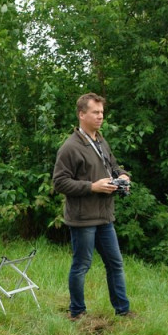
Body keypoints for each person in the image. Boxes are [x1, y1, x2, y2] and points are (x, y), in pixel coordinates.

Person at [52, 92, 134, 320]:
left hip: (104, 216)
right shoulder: (70, 147)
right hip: (83, 218)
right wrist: (92, 187)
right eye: (95, 112)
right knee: (81, 265)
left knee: (115, 264)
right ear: (82, 114)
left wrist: (123, 176)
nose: (100, 117)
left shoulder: (100, 140)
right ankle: (77, 312)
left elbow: (114, 167)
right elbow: (59, 182)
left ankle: (123, 311)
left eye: (102, 113)